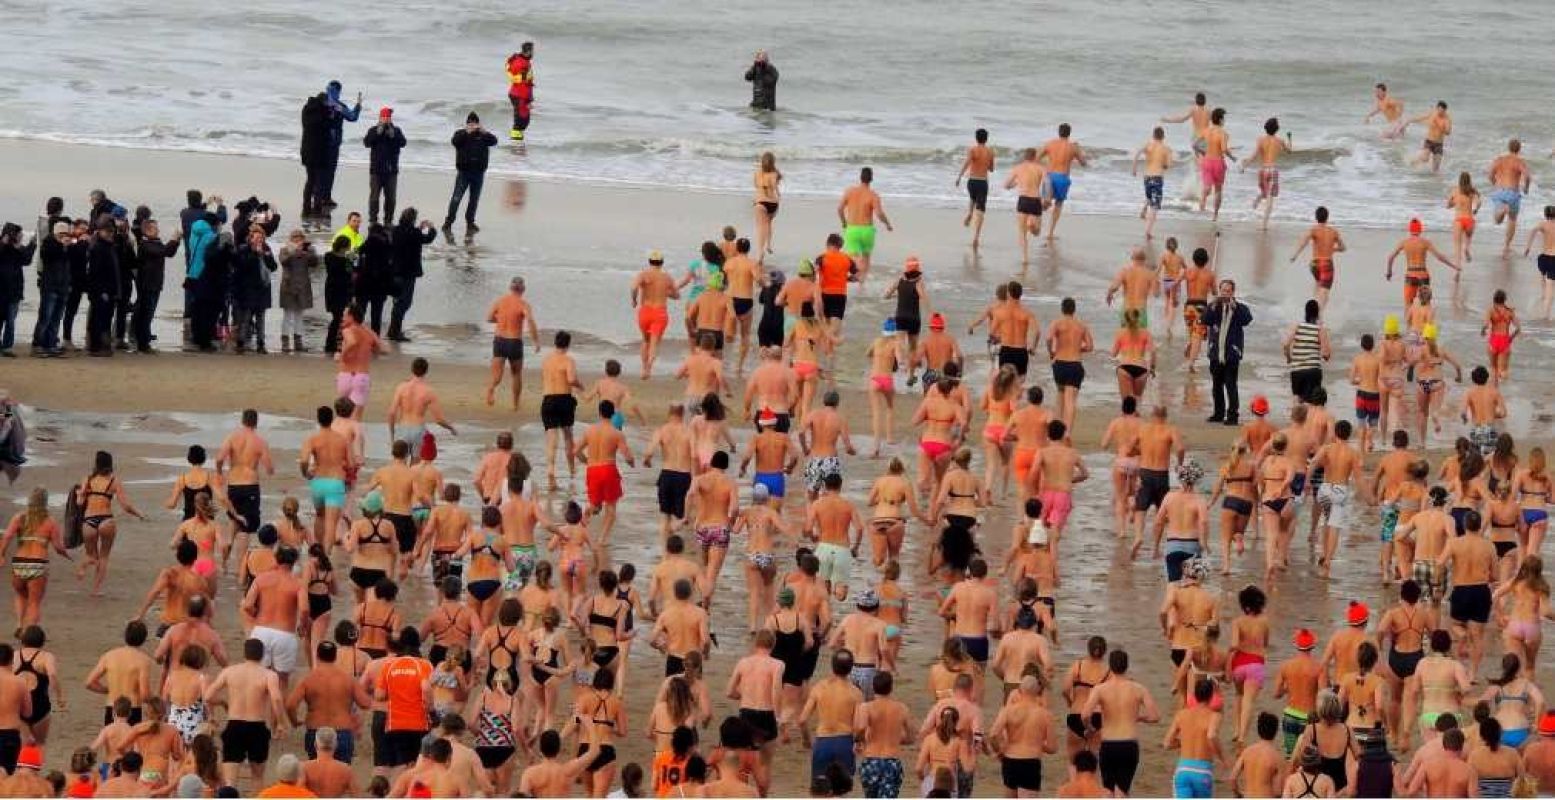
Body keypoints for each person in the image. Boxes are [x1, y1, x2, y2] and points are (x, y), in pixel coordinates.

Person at [204, 638, 287, 791]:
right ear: (262, 655)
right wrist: (281, 723)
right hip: (257, 727)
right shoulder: (269, 675)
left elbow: (208, 696)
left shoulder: (229, 671)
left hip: (235, 725)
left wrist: (221, 704)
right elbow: (276, 698)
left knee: (230, 780)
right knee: (257, 777)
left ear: (244, 653)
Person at [1201, 277, 1252, 425]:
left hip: (1232, 354)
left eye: (1228, 291)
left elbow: (1247, 320)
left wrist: (1235, 307)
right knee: (1216, 385)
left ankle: (1232, 415)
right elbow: (1204, 320)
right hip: (1216, 353)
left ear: (1233, 292)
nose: (1225, 294)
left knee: (1231, 385)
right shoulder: (1214, 306)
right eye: (1223, 290)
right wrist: (1212, 306)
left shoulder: (1239, 308)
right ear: (1219, 290)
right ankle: (1218, 413)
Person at [444, 112, 499, 235]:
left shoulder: (483, 135)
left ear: (478, 124)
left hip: (478, 173)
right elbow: (455, 142)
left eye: (475, 123)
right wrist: (466, 132)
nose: (472, 125)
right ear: (467, 124)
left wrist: (485, 132)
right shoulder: (460, 134)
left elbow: (494, 141)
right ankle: (448, 222)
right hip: (464, 173)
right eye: (470, 123)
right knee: (456, 199)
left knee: (474, 200)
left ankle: (470, 223)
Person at [387, 208, 438, 342]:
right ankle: (395, 331)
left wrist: (419, 229)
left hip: (395, 271)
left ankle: (393, 330)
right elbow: (427, 239)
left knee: (397, 301)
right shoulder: (414, 233)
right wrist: (432, 228)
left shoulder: (396, 230)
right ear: (413, 219)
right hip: (408, 273)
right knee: (405, 302)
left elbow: (410, 236)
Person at [631, 251, 679, 379]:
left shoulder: (643, 275)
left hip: (645, 311)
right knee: (654, 343)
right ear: (662, 263)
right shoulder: (667, 277)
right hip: (660, 313)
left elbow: (634, 287)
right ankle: (648, 369)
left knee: (645, 341)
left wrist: (634, 300)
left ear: (649, 261)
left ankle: (643, 368)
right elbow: (677, 295)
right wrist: (665, 293)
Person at [837, 167, 892, 280]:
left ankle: (856, 274)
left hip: (852, 229)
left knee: (854, 256)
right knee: (866, 257)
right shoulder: (873, 195)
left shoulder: (849, 191)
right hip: (867, 230)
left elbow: (839, 209)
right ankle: (861, 284)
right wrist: (887, 224)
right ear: (871, 179)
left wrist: (844, 222)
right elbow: (879, 214)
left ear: (860, 177)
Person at [1288, 206, 1346, 309]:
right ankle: (1318, 318)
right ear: (1327, 218)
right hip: (1326, 265)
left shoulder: (1314, 230)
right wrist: (1333, 249)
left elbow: (1304, 242)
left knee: (1318, 287)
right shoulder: (1333, 231)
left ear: (1316, 218)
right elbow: (1343, 248)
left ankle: (1312, 310)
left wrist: (1295, 255)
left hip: (1314, 265)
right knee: (1324, 294)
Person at [1038, 123, 1087, 240]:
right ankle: (1050, 233)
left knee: (1044, 203)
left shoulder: (1049, 144)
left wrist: (1042, 170)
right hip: (1063, 178)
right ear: (1069, 133)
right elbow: (1083, 163)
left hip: (1049, 176)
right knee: (1058, 204)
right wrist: (1080, 150)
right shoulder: (1073, 147)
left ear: (1058, 132)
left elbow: (1036, 157)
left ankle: (1035, 221)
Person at [320, 80, 363, 209]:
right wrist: (358, 105)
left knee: (323, 171)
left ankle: (321, 197)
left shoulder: (323, 103)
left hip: (323, 142)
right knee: (327, 171)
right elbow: (352, 117)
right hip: (330, 143)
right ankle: (323, 197)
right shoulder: (336, 105)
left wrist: (358, 105)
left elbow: (352, 117)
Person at [1242, 117, 1291, 230]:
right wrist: (1289, 138)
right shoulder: (1279, 141)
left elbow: (1254, 156)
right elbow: (1289, 151)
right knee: (1270, 199)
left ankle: (1258, 199)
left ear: (1266, 128)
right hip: (1272, 170)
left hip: (1263, 170)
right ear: (1277, 129)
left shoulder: (1260, 140)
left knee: (1265, 193)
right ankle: (1264, 225)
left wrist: (1245, 165)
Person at [1004, 148, 1050, 265]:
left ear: (1024, 157)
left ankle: (1025, 258)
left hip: (1023, 200)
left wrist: (1015, 184)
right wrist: (1047, 199)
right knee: (1037, 232)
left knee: (1022, 232)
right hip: (1035, 200)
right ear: (1035, 157)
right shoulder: (1041, 168)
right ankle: (1032, 225)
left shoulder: (1018, 168)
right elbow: (1047, 184)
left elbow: (1006, 185)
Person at [362, 107, 407, 225]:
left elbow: (403, 143)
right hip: (376, 171)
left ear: (390, 118)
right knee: (374, 197)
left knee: (391, 198)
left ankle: (388, 220)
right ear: (380, 118)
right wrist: (378, 133)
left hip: (391, 171)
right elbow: (366, 143)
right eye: (384, 117)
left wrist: (393, 136)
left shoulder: (396, 130)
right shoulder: (373, 130)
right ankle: (373, 220)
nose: (386, 119)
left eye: (388, 117)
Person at [1489, 139, 1532, 256]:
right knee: (1512, 219)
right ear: (1519, 149)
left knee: (1497, 221)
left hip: (1499, 191)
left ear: (1508, 147)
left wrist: (1495, 183)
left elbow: (1490, 174)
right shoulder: (1519, 161)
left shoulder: (1499, 159)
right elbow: (1527, 176)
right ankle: (1506, 247)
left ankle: (1502, 211)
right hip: (1512, 192)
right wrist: (1526, 188)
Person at [1284, 299, 1331, 403]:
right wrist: (1327, 355)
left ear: (1305, 312)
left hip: (1297, 370)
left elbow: (1286, 344)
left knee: (1297, 400)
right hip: (1313, 371)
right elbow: (1325, 354)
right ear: (1317, 313)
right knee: (1313, 403)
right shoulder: (1320, 329)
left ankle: (1296, 419)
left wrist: (1289, 358)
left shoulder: (1297, 326)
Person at [1131, 126, 1172, 239]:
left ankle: (1144, 209)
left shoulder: (1148, 145)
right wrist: (1164, 165)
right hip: (1157, 178)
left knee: (1150, 197)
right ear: (1163, 137)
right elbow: (1168, 165)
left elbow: (1137, 153)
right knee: (1154, 206)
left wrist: (1134, 168)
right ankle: (1148, 232)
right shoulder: (1166, 149)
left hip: (1147, 177)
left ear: (1153, 135)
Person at [956, 128, 994, 248]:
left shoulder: (972, 150)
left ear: (976, 138)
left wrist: (959, 177)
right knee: (981, 210)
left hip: (972, 181)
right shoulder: (990, 152)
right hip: (983, 182)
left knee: (972, 198)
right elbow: (991, 169)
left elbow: (967, 163)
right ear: (986, 139)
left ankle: (970, 213)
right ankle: (976, 237)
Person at [299, 93, 332, 217]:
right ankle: (317, 208)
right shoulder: (321, 112)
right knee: (318, 181)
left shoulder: (307, 109)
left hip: (307, 150)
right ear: (323, 101)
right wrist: (329, 114)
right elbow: (324, 126)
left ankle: (307, 208)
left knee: (310, 180)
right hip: (318, 151)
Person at [1199, 108, 1233, 220]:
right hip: (1218, 162)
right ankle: (1215, 215)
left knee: (1207, 187)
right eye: (1224, 118)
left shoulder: (1206, 130)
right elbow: (1224, 149)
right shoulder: (1223, 133)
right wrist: (1232, 157)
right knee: (1218, 190)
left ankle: (1202, 202)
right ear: (1220, 119)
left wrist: (1203, 153)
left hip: (1207, 161)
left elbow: (1195, 145)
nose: (1225, 121)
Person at [1523, 206, 1555, 319]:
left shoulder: (1543, 224)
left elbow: (1533, 230)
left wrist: (1528, 247)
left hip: (1543, 257)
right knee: (1550, 286)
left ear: (1545, 214)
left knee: (1543, 278)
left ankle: (1543, 296)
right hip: (1553, 258)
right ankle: (1546, 314)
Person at [1405, 101, 1452, 173]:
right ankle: (1413, 163)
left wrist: (1439, 125)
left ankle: (1435, 182)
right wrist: (1410, 120)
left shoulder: (1447, 119)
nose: (1439, 113)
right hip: (1429, 141)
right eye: (1438, 110)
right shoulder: (1433, 113)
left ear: (1445, 111)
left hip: (1439, 144)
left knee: (1436, 169)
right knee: (1425, 159)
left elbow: (1448, 132)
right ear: (1437, 108)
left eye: (1442, 111)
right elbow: (1422, 118)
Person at [753, 153, 782, 259]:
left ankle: (760, 251)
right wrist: (778, 195)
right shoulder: (774, 173)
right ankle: (768, 245)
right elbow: (775, 187)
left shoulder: (757, 173)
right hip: (773, 203)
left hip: (760, 202)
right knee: (768, 223)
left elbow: (755, 185)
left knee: (761, 227)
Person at [505, 42, 536, 141]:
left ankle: (518, 142)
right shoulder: (520, 63)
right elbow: (520, 82)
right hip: (519, 95)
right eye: (532, 51)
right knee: (521, 120)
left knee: (524, 120)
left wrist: (529, 99)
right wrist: (527, 100)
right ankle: (515, 145)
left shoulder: (524, 60)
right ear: (528, 51)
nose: (533, 53)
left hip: (521, 95)